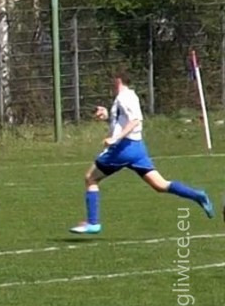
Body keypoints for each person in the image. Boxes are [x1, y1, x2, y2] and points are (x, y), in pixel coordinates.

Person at [69, 71, 213, 234]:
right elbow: (123, 120)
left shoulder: (124, 97)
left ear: (118, 80)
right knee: (160, 185)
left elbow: (135, 120)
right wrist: (107, 116)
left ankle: (93, 223)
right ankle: (197, 195)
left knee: (90, 178)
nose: (110, 83)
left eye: (112, 79)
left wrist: (115, 138)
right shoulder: (128, 96)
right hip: (137, 148)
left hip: (123, 148)